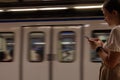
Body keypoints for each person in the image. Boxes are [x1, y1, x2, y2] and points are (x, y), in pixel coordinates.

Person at [87, 0, 120, 80]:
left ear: (114, 13)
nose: (105, 19)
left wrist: (98, 48)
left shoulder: (117, 30)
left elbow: (111, 63)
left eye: (105, 15)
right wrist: (102, 45)